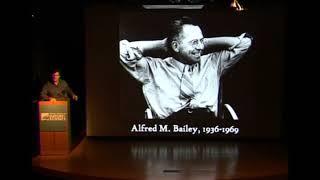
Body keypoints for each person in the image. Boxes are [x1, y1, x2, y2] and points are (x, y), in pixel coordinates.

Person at [119, 16, 252, 120]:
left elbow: (244, 43)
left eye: (201, 41)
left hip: (209, 131)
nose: (200, 47)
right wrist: (163, 44)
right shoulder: (152, 68)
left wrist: (201, 41)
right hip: (169, 135)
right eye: (194, 43)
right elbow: (121, 50)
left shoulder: (213, 62)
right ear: (175, 46)